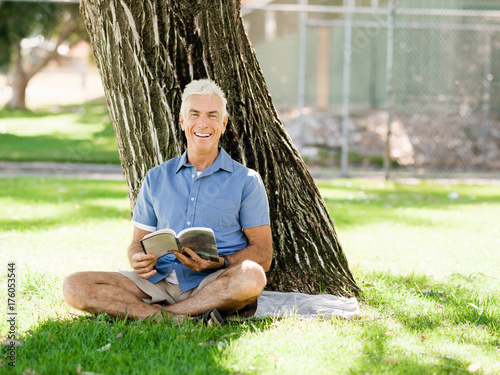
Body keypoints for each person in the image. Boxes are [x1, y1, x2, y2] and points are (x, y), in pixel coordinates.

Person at [63, 79, 273, 324]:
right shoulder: (156, 177)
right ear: (182, 121)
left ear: (223, 123)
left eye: (212, 116)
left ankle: (161, 316)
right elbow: (136, 244)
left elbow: (264, 254)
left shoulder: (246, 180)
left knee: (253, 276)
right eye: (194, 114)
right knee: (75, 285)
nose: (203, 123)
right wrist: (137, 260)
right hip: (157, 283)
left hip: (213, 283)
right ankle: (184, 317)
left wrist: (222, 262)